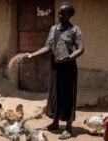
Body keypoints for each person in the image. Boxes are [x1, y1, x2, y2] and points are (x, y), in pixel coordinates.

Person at [25, 2, 84, 140]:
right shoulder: (53, 28)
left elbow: (81, 49)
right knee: (55, 94)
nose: (60, 15)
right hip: (55, 66)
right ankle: (55, 123)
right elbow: (47, 47)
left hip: (68, 67)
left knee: (68, 95)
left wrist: (68, 57)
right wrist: (33, 54)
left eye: (63, 13)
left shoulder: (75, 30)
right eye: (59, 12)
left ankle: (68, 128)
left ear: (70, 15)